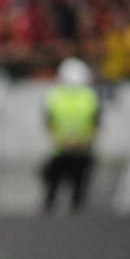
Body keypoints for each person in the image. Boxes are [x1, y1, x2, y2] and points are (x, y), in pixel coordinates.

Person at [41, 56, 100, 214]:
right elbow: (96, 124)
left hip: (60, 148)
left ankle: (49, 212)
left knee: (52, 190)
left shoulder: (54, 95)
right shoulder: (90, 97)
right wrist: (82, 142)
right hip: (82, 149)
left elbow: (48, 123)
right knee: (78, 194)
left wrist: (61, 141)